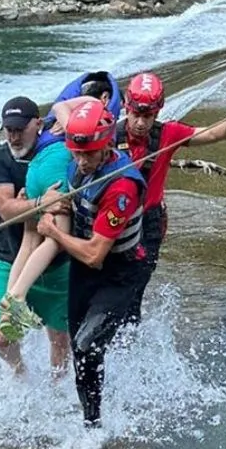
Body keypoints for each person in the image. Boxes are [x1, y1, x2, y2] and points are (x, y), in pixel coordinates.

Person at [30, 97, 152, 427]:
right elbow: (61, 108)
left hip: (117, 271)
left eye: (89, 154)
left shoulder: (121, 186)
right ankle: (88, 399)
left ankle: (92, 425)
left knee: (86, 346)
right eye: (77, 153)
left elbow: (95, 255)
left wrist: (53, 232)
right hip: (83, 271)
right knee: (77, 340)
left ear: (107, 145)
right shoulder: (76, 160)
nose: (82, 161)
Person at [110, 71, 226, 262]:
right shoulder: (109, 136)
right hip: (115, 214)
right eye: (135, 115)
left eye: (147, 116)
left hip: (150, 219)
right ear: (126, 108)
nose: (140, 123)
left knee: (143, 269)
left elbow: (213, 134)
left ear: (157, 113)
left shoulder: (169, 133)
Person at [0, 95, 72, 374]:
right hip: (9, 257)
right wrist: (41, 203)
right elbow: (7, 209)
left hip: (57, 263)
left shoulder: (57, 150)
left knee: (60, 340)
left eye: (20, 129)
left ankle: (57, 389)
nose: (14, 136)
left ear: (39, 124)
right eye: (9, 129)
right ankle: (19, 372)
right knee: (2, 337)